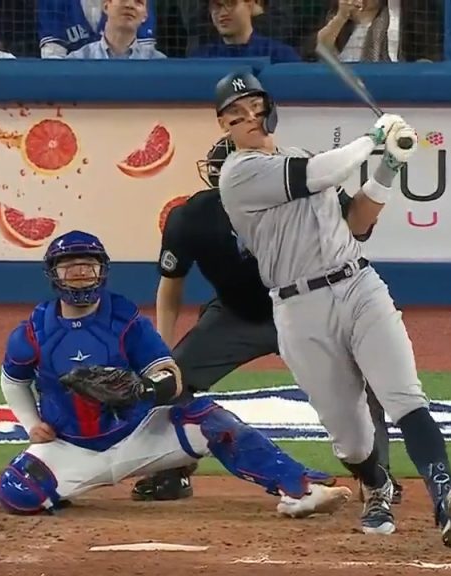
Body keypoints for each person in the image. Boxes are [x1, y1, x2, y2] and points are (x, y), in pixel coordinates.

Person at [213, 71, 451, 547]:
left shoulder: (299, 158)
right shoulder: (238, 174)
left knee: (404, 396)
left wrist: (390, 167)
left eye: (255, 107)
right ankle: (376, 485)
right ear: (224, 127)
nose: (248, 118)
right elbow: (320, 174)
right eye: (235, 115)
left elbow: (357, 221)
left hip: (358, 285)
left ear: (270, 109)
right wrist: (374, 139)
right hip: (299, 310)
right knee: (353, 440)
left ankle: (445, 495)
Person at [0, 230, 353, 517]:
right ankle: (65, 489)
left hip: (140, 438)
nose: (80, 275)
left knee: (214, 421)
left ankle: (303, 490)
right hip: (70, 447)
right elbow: (13, 380)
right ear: (53, 275)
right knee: (17, 495)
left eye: (87, 267)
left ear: (102, 270)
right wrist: (30, 424)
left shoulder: (125, 319)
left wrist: (141, 390)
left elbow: (170, 376)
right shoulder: (34, 331)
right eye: (70, 268)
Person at [131, 136, 403, 506]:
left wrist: (385, 165)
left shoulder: (307, 192)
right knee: (170, 381)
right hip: (236, 315)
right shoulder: (191, 217)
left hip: (310, 308)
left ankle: (375, 475)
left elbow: (358, 226)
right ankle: (171, 472)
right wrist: (161, 354)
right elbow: (170, 287)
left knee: (366, 377)